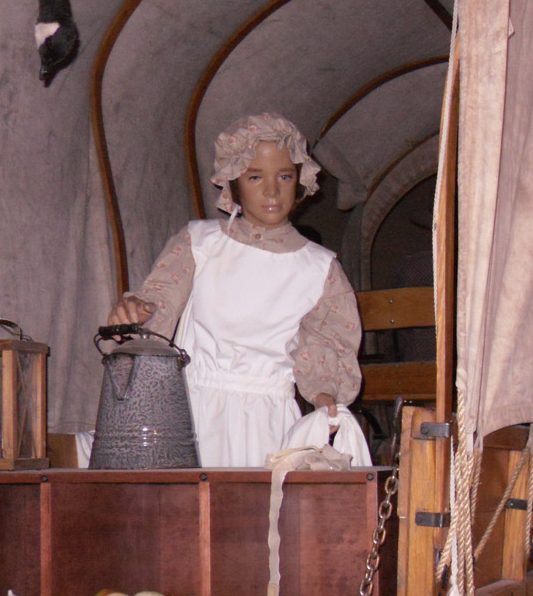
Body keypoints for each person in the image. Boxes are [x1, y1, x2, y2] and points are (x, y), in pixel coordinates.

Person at [108, 113, 362, 466]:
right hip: (192, 412)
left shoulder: (319, 269)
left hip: (268, 420)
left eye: (284, 176)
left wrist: (325, 394)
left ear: (300, 180)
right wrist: (138, 311)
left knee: (257, 514)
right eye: (255, 177)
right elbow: (158, 300)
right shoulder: (199, 244)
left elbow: (322, 344)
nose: (272, 191)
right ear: (234, 183)